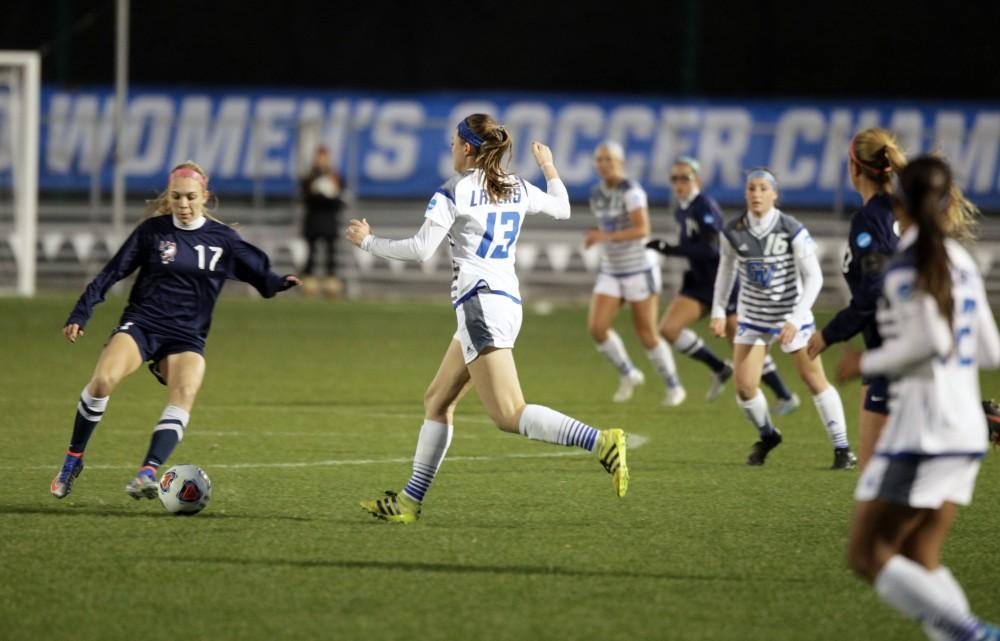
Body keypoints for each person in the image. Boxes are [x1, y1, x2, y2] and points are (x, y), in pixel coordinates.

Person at [345, 114, 629, 524]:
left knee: (509, 413)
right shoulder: (514, 185)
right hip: (504, 303)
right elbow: (563, 208)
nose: (450, 151)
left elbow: (421, 250)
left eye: (453, 145)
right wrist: (548, 165)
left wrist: (367, 242)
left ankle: (601, 441)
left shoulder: (454, 190)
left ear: (466, 148)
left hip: (480, 306)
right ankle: (409, 501)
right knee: (437, 401)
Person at [49, 161, 301, 500]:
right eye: (177, 197)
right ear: (169, 197)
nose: (183, 205)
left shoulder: (223, 239)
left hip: (187, 336)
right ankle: (72, 459)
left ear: (205, 197)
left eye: (191, 197)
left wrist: (278, 283)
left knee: (185, 392)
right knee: (103, 381)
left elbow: (259, 273)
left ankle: (147, 472)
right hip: (143, 324)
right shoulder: (152, 232)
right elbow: (111, 273)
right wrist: (82, 311)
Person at [840, 156, 1000, 641]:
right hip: (965, 431)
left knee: (866, 555)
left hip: (923, 430)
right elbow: (990, 351)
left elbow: (929, 341)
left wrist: (863, 364)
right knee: (919, 559)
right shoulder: (960, 261)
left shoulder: (907, 264)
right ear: (948, 201)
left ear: (896, 204)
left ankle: (974, 632)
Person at [710, 169, 856, 468]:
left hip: (790, 316)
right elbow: (726, 271)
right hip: (752, 316)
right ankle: (768, 435)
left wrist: (795, 318)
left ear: (774, 194)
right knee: (745, 387)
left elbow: (814, 277)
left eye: (763, 188)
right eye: (751, 188)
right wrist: (718, 311)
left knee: (813, 379)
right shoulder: (733, 230)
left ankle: (843, 449)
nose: (756, 194)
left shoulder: (791, 228)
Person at [647, 156, 799, 413]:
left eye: (685, 177)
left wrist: (670, 249)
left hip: (721, 282)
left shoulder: (704, 205)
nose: (679, 183)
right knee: (668, 328)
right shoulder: (682, 209)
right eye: (675, 178)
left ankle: (785, 395)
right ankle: (719, 368)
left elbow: (710, 247)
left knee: (741, 342)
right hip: (698, 283)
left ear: (698, 180)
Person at [805, 129, 905, 469]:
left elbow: (873, 291)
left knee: (875, 470)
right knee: (885, 463)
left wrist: (828, 334)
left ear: (854, 168)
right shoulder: (904, 211)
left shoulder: (869, 220)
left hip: (892, 346)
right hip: (896, 343)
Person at [585, 141, 684, 405]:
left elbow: (642, 230)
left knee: (646, 332)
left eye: (609, 159)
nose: (604, 164)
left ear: (621, 163)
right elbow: (610, 228)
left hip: (638, 268)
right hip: (612, 268)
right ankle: (629, 374)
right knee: (597, 328)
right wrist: (601, 238)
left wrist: (603, 236)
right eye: (600, 159)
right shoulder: (596, 193)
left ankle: (674, 386)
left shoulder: (632, 191)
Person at [300, 145, 345, 297]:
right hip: (313, 221)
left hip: (329, 221)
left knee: (330, 254)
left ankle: (331, 284)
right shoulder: (309, 177)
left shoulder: (335, 177)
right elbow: (306, 198)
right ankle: (309, 284)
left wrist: (329, 196)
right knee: (311, 253)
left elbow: (339, 200)